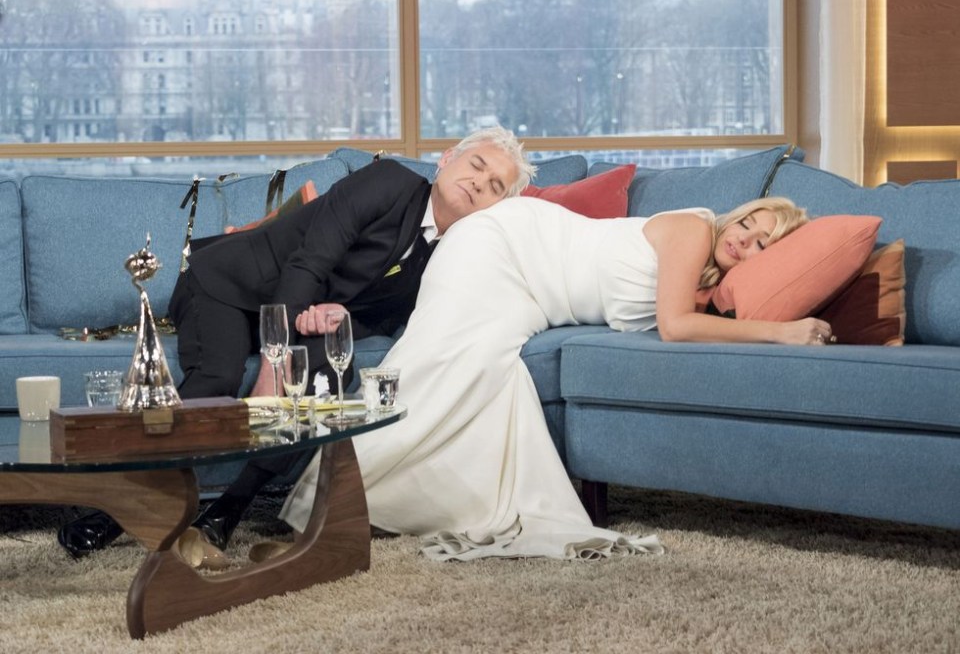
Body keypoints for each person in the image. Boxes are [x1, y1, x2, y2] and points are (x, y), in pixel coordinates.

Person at [56, 126, 535, 559]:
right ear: (447, 158)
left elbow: (388, 314)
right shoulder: (387, 181)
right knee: (220, 376)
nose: (479, 182)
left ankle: (227, 511)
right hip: (231, 284)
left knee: (326, 380)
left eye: (495, 185)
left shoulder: (455, 254)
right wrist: (275, 358)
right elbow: (308, 263)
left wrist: (343, 314)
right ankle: (119, 510)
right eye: (477, 165)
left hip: (303, 314)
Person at [280, 195, 829, 561]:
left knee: (489, 373)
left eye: (762, 244)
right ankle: (328, 498)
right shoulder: (694, 229)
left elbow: (691, 315)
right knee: (438, 362)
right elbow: (675, 326)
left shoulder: (711, 285)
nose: (744, 238)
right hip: (505, 246)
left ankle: (363, 497)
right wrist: (782, 333)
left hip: (533, 297)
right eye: (748, 223)